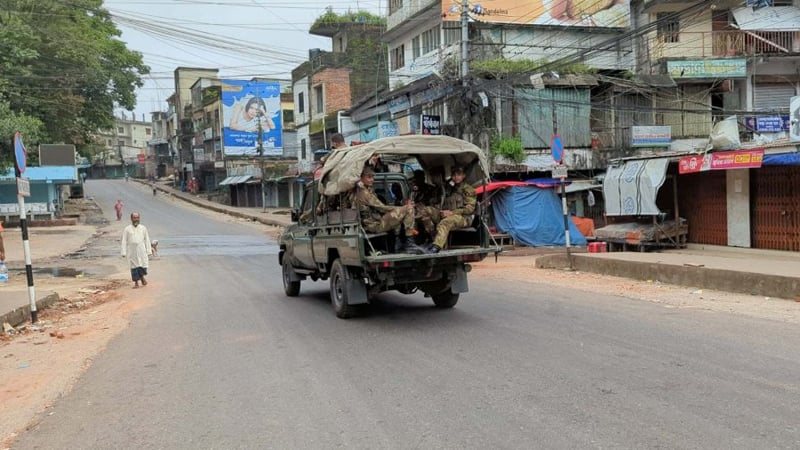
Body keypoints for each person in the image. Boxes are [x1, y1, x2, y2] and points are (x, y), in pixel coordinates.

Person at [350, 166, 421, 254]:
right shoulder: (363, 193)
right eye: (369, 177)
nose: (372, 179)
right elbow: (382, 208)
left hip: (372, 223)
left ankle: (399, 244)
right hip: (373, 225)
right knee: (409, 209)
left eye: (372, 177)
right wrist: (404, 207)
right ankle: (409, 244)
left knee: (399, 216)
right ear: (361, 178)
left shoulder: (364, 190)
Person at [426, 166, 476, 254]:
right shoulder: (449, 187)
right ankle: (430, 239)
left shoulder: (468, 189)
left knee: (446, 222)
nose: (456, 177)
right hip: (446, 214)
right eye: (454, 175)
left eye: (459, 175)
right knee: (427, 210)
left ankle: (436, 246)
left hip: (463, 218)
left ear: (463, 176)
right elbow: (440, 201)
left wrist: (451, 213)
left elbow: (469, 209)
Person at [121, 212, 152, 289]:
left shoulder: (143, 228)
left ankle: (142, 278)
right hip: (132, 251)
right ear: (131, 219)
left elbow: (147, 239)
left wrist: (149, 250)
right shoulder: (127, 229)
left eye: (137, 217)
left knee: (142, 266)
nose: (136, 219)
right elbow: (124, 240)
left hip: (141, 250)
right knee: (134, 267)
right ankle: (136, 283)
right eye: (134, 218)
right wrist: (123, 252)